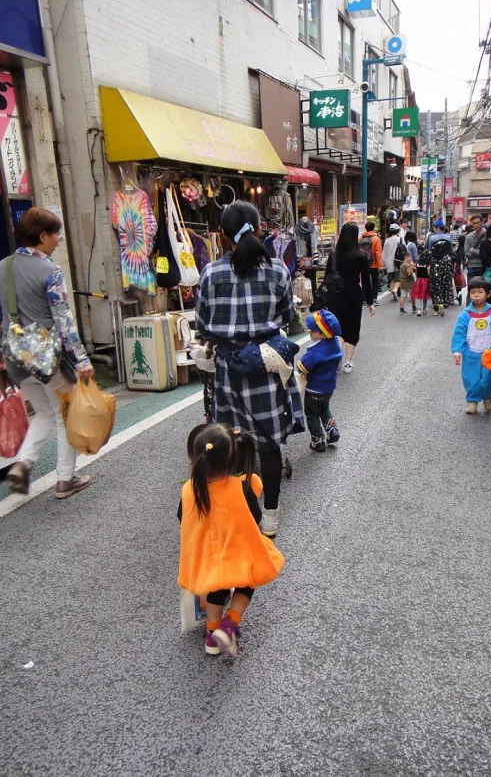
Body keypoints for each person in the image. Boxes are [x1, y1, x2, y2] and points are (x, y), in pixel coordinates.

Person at [196, 201, 305, 539]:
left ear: (224, 235)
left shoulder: (211, 273)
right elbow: (288, 316)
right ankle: (269, 518)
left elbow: (203, 325)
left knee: (233, 442)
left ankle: (245, 509)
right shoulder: (276, 270)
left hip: (228, 370)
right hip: (265, 365)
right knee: (270, 444)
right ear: (258, 229)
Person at [0, 207, 94, 499]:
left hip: (17, 360)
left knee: (44, 414)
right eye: (55, 234)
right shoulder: (50, 271)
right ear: (42, 235)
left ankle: (23, 463)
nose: (58, 240)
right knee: (65, 416)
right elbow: (63, 320)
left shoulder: (1, 268)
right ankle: (65, 479)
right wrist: (82, 359)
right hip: (50, 361)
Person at [178, 423, 284, 657]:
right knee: (250, 578)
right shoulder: (242, 488)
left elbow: (181, 518)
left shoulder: (188, 490)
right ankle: (230, 623)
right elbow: (254, 516)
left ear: (193, 461)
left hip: (204, 559)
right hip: (235, 554)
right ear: (231, 460)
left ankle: (212, 635)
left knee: (216, 592)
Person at [325, 222, 375, 375]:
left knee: (337, 327)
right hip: (354, 294)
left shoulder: (333, 255)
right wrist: (370, 303)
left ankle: (337, 358)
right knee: (353, 327)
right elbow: (366, 281)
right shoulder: (361, 256)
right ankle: (348, 362)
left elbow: (327, 277)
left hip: (336, 296)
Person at [451, 277, 491, 415]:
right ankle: (472, 401)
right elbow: (459, 333)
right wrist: (457, 351)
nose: (476, 295)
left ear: (488, 294)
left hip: (489, 353)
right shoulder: (465, 314)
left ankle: (487, 398)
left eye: (480, 292)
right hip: (470, 353)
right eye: (473, 292)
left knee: (487, 379)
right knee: (471, 379)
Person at [297, 310, 343, 452]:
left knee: (312, 415)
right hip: (328, 389)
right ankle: (332, 429)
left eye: (313, 331)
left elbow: (302, 367)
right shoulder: (334, 344)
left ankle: (318, 440)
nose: (310, 333)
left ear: (322, 334)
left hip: (313, 390)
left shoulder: (316, 352)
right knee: (324, 409)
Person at [429, 236, 455, 316]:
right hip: (445, 278)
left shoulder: (433, 257)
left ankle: (436, 310)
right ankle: (442, 304)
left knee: (435, 292)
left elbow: (430, 267)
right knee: (443, 291)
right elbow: (451, 268)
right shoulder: (447, 258)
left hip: (435, 278)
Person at [360, 221, 383, 305]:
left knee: (364, 281)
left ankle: (364, 299)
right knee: (375, 282)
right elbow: (378, 253)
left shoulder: (361, 238)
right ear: (373, 228)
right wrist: (380, 266)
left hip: (363, 264)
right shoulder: (376, 238)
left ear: (366, 228)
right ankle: (374, 299)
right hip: (373, 264)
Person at [464, 214, 487, 292]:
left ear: (482, 222)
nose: (476, 225)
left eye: (478, 223)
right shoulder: (469, 237)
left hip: (483, 267)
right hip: (472, 267)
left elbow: (486, 254)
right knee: (471, 290)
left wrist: (473, 251)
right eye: (474, 223)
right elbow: (466, 253)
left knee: (483, 290)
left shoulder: (487, 235)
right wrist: (480, 254)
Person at [411, 245, 431, 316]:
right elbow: (429, 273)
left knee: (419, 295)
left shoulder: (417, 264)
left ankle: (419, 309)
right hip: (426, 280)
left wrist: (417, 278)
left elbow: (416, 272)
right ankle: (424, 309)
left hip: (419, 280)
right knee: (425, 295)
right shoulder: (428, 264)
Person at [382, 226, 399, 302]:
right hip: (398, 262)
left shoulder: (387, 240)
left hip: (389, 261)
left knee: (392, 279)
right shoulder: (400, 239)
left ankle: (392, 296)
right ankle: (395, 290)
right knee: (398, 279)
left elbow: (384, 253)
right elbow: (405, 251)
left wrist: (383, 264)